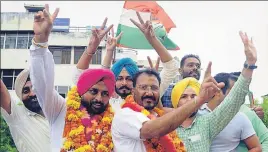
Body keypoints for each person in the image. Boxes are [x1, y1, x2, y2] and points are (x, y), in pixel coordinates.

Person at [111, 12, 224, 152]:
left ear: (160, 90)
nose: (149, 92)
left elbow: (171, 67)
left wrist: (152, 38)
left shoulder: (160, 115)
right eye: (143, 87)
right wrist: (199, 100)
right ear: (133, 91)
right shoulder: (126, 114)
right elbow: (153, 130)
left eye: (154, 87)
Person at [28, 5, 117, 152]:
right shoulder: (59, 109)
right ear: (81, 90)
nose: (99, 98)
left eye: (105, 93)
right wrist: (40, 41)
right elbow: (41, 84)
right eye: (94, 91)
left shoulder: (114, 122)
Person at [170, 30, 258, 151]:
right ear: (175, 101)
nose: (190, 100)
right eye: (183, 96)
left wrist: (250, 64)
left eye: (193, 96)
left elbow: (233, 100)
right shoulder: (166, 126)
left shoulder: (207, 123)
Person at [200, 72, 268, 151]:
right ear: (217, 91)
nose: (238, 97)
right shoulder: (196, 115)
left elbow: (257, 147)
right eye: (234, 93)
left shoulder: (241, 117)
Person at [0, 70, 50, 152]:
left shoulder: (59, 114)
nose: (32, 93)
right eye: (26, 91)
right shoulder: (18, 116)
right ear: (20, 96)